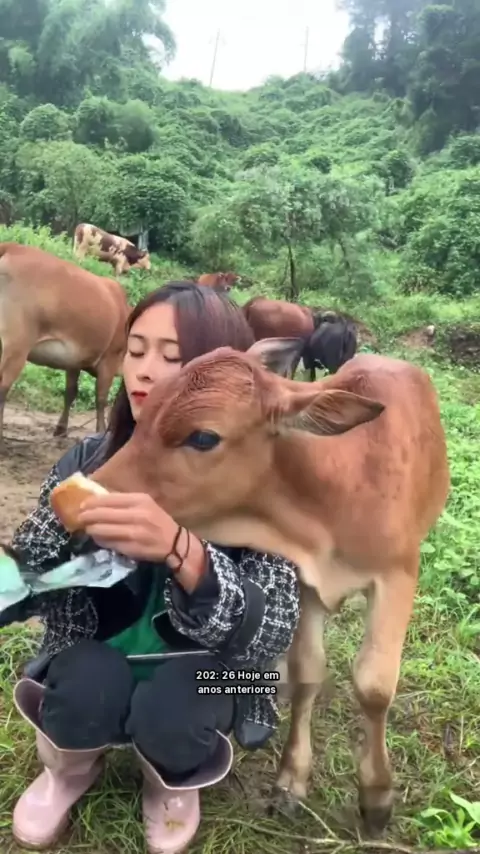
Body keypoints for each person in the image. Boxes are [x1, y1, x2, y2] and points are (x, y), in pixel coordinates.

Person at [2, 281, 301, 854]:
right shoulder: (89, 462)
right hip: (96, 648)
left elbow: (271, 636)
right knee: (84, 684)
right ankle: (68, 770)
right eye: (135, 349)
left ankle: (171, 784)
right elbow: (21, 587)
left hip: (226, 669)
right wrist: (58, 531)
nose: (144, 370)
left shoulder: (261, 485)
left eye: (173, 357)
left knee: (179, 705)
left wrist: (186, 554)